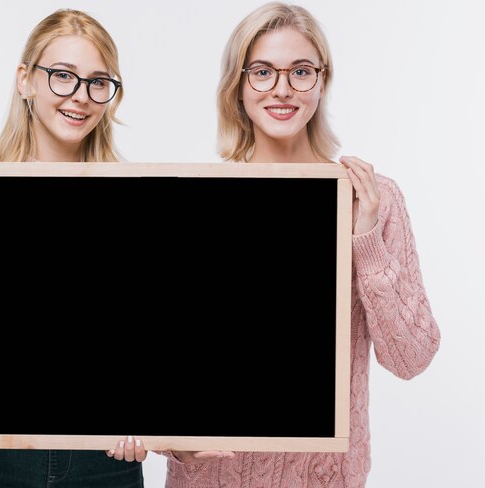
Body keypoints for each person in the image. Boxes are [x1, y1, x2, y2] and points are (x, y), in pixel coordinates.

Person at [164, 3, 441, 487]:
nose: (282, 89)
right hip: (212, 479)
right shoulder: (196, 200)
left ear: (322, 80)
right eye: (263, 72)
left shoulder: (372, 197)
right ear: (238, 84)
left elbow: (411, 358)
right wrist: (171, 442)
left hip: (322, 478)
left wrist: (367, 241)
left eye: (301, 71)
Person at [0, 9, 145, 487]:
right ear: (26, 80)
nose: (80, 98)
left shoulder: (132, 197)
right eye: (63, 76)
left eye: (98, 82)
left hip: (102, 454)